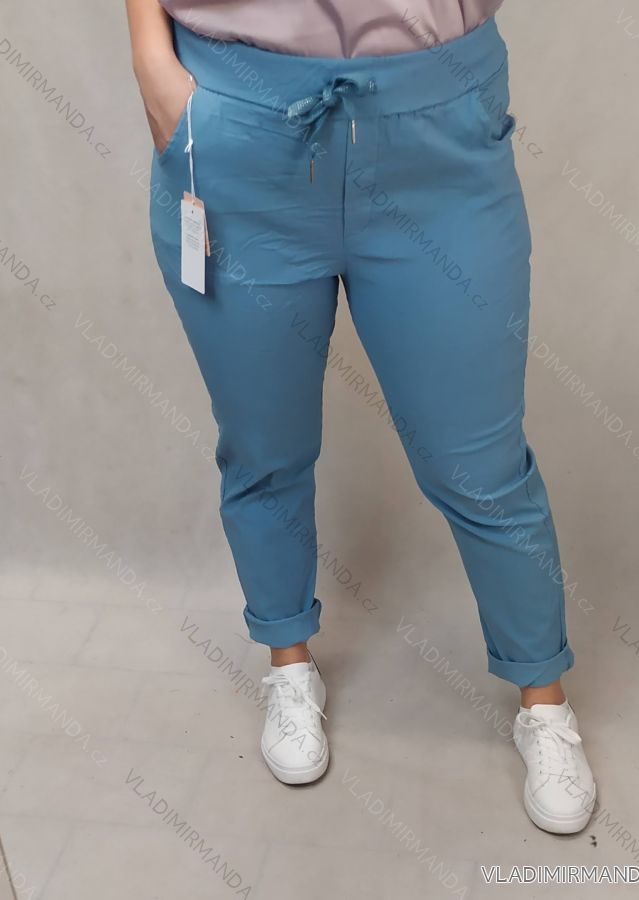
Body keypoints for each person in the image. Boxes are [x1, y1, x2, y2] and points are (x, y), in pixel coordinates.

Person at [125, 0, 596, 833]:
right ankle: (288, 662)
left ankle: (544, 700)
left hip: (437, 123)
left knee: (478, 462)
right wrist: (150, 58)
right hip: (236, 119)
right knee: (264, 444)